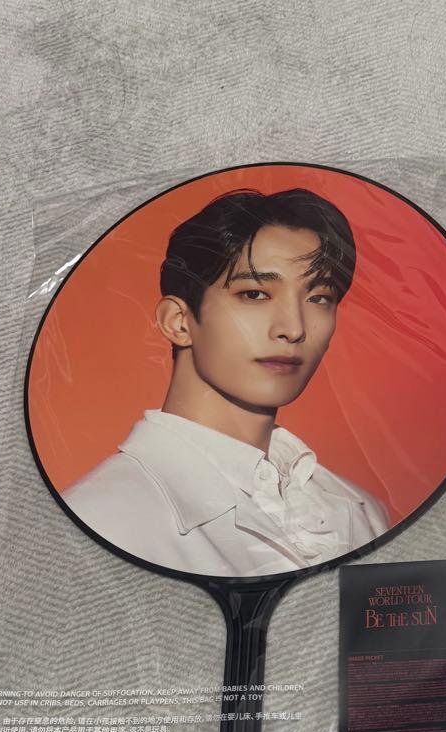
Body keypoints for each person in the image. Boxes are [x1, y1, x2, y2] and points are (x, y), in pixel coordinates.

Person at [64, 188, 389, 577]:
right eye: (254, 294)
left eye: (319, 298)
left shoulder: (363, 512)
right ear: (179, 322)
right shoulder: (96, 520)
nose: (293, 328)